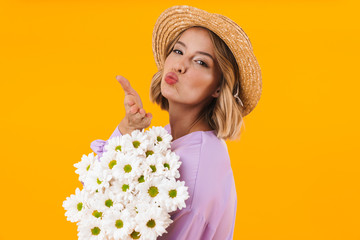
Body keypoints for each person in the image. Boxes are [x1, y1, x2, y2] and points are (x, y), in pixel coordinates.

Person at [90, 5, 262, 240]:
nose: (180, 65)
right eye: (178, 51)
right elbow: (103, 190)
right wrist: (128, 131)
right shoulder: (175, 139)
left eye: (201, 62)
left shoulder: (191, 170)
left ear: (219, 87)